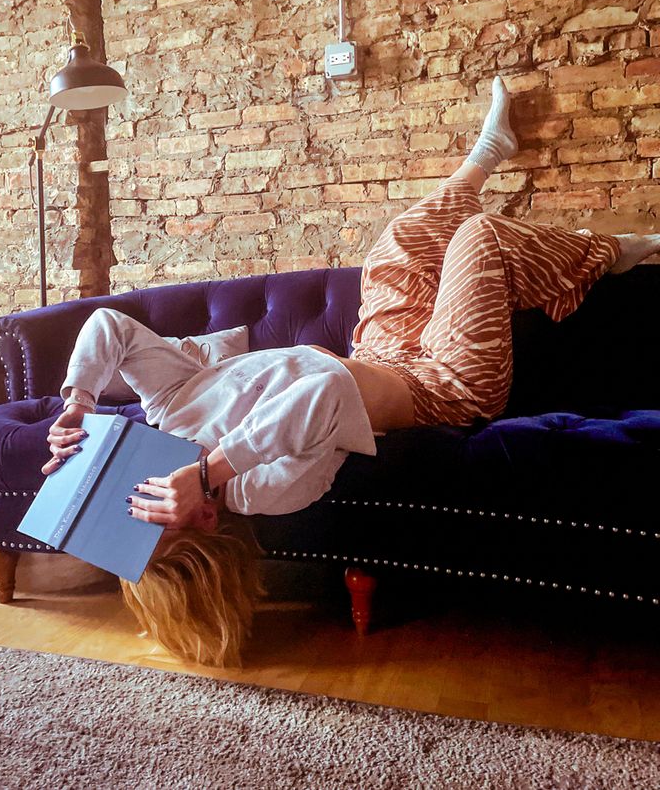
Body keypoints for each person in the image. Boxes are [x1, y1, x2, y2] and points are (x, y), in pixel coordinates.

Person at [43, 77, 660, 666]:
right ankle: (607, 252)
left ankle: (489, 152)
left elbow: (110, 327)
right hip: (445, 385)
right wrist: (209, 473)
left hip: (382, 350)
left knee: (398, 241)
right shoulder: (262, 489)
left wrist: (78, 401)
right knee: (479, 240)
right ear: (202, 520)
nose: (135, 494)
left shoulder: (167, 411)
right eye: (151, 511)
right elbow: (330, 392)